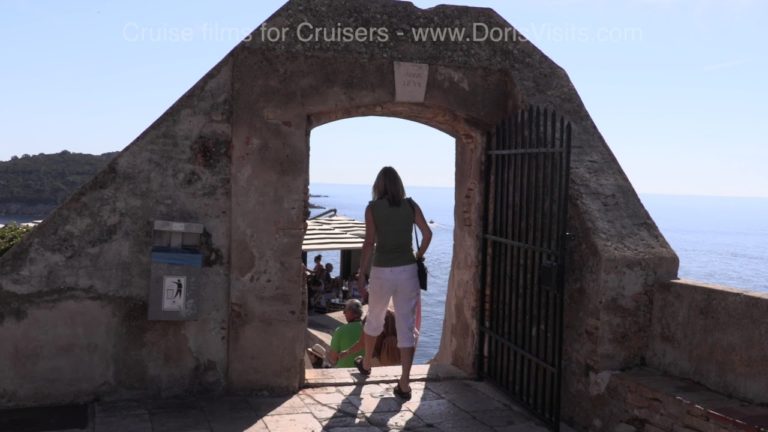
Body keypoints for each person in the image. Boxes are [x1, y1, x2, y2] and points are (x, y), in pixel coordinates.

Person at [355, 166, 432, 401]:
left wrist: (361, 273)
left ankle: (367, 364)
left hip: (381, 271)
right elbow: (427, 234)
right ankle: (405, 383)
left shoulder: (372, 209)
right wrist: (417, 257)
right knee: (406, 327)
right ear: (399, 184)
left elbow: (369, 243)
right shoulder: (410, 205)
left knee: (375, 318)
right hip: (407, 271)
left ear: (378, 185)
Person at [328, 299, 365, 368]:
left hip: (344, 372)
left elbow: (333, 358)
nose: (343, 313)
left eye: (345, 311)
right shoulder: (368, 329)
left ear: (352, 313)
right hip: (363, 370)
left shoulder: (340, 330)